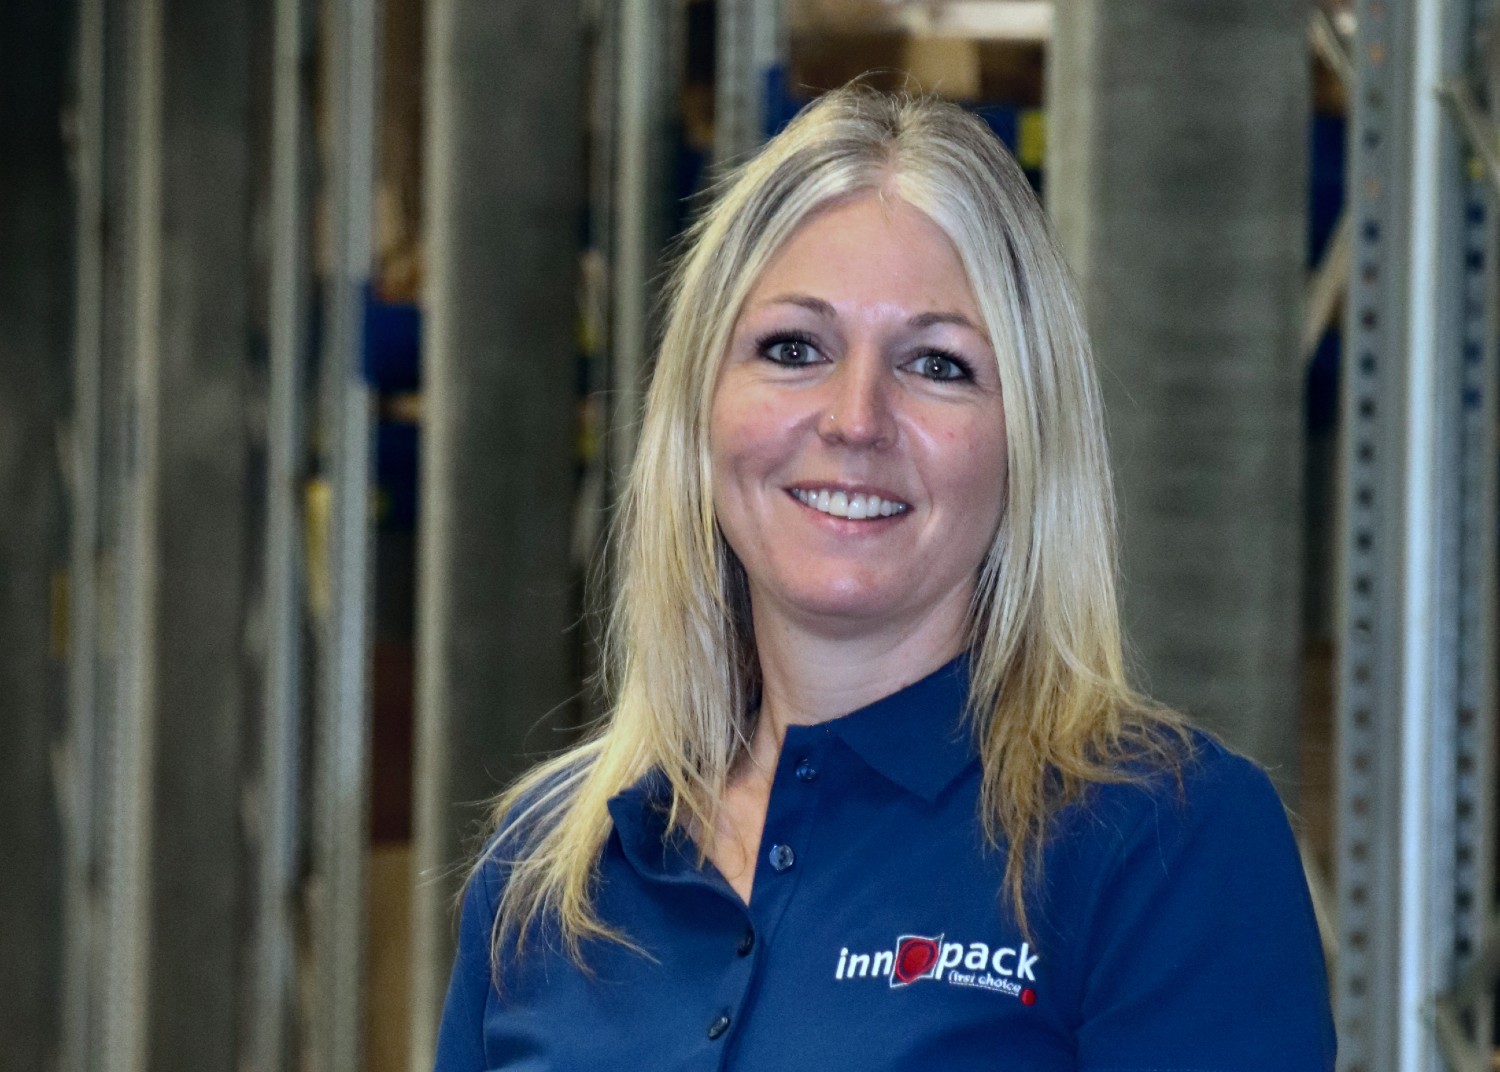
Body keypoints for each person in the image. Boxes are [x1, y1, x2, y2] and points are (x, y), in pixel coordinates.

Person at [433, 85, 1335, 1071]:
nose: (855, 418)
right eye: (793, 349)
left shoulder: (1162, 843)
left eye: (938, 364)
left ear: (1027, 443)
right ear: (699, 414)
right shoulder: (543, 870)